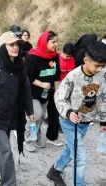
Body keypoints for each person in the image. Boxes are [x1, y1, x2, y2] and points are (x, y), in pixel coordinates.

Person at [47, 41, 106, 186]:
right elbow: (59, 97)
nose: (99, 69)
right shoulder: (73, 76)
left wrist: (103, 120)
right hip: (69, 121)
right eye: (97, 65)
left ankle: (55, 170)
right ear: (86, 60)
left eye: (103, 66)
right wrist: (68, 112)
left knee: (70, 149)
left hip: (85, 121)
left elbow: (103, 97)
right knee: (79, 157)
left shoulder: (102, 76)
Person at [0, 31, 34, 185]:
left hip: (12, 114)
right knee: (6, 150)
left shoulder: (20, 65)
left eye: (17, 44)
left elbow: (25, 87)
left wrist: (29, 110)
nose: (15, 47)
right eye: (11, 44)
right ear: (3, 46)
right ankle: (9, 183)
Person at [24, 31, 61, 152]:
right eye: (53, 42)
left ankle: (37, 136)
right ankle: (28, 139)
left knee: (41, 116)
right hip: (32, 93)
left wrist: (57, 92)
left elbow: (56, 76)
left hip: (46, 94)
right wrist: (41, 84)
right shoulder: (32, 57)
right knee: (36, 115)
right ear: (45, 42)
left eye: (56, 42)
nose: (55, 44)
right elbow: (27, 77)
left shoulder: (54, 56)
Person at [46, 43, 75, 146]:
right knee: (53, 114)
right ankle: (50, 136)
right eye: (66, 56)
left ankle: (54, 135)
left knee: (64, 112)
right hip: (55, 89)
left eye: (70, 56)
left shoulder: (72, 59)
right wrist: (55, 91)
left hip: (68, 90)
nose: (68, 58)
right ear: (61, 52)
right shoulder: (55, 59)